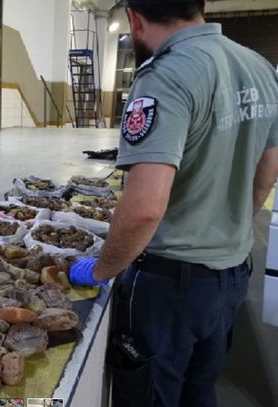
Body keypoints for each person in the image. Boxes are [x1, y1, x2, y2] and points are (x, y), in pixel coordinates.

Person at [68, 0, 278, 406]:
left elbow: (145, 205)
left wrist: (101, 268)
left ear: (134, 18)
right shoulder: (259, 67)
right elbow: (267, 172)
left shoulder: (166, 75)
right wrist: (228, 229)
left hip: (169, 285)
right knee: (199, 389)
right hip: (231, 273)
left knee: (151, 394)